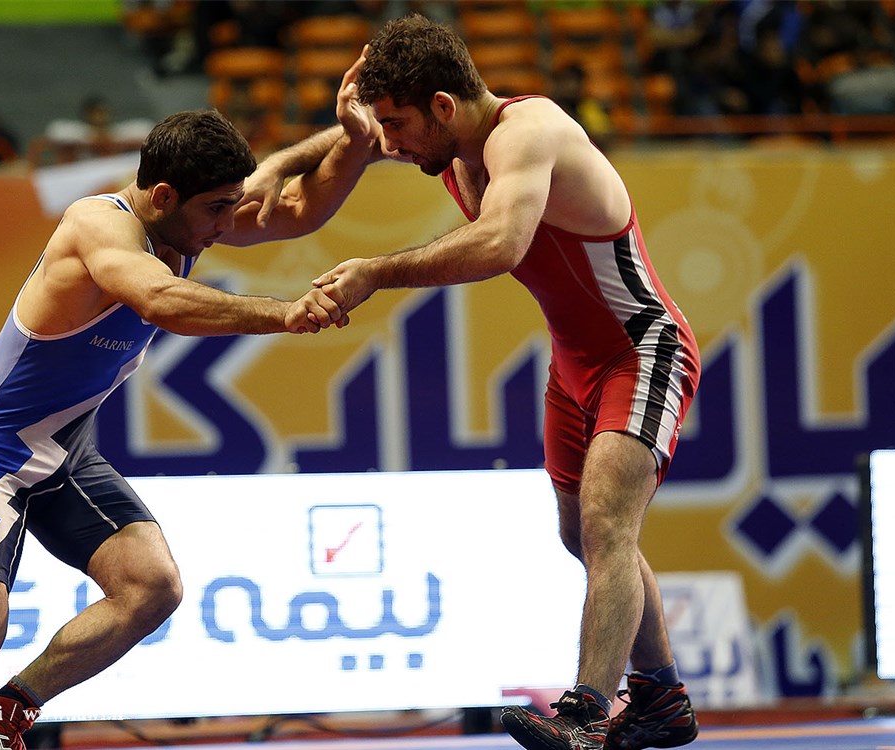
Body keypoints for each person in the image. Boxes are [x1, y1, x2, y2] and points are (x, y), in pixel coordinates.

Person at [0, 90, 379, 750]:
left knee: (152, 587)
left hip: (65, 452)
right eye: (216, 210)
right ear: (163, 196)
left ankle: (2, 714)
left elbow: (301, 209)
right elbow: (161, 299)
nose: (228, 224)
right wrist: (284, 313)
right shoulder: (96, 225)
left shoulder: (188, 218)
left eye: (229, 206)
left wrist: (356, 140)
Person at [299, 16, 702, 750]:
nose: (391, 144)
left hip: (641, 349)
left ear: (443, 107)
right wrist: (334, 140)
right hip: (574, 362)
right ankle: (662, 699)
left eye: (396, 125)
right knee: (581, 535)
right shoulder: (446, 145)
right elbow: (311, 175)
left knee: (607, 526)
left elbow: (500, 243)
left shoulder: (529, 131)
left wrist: (375, 272)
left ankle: (586, 713)